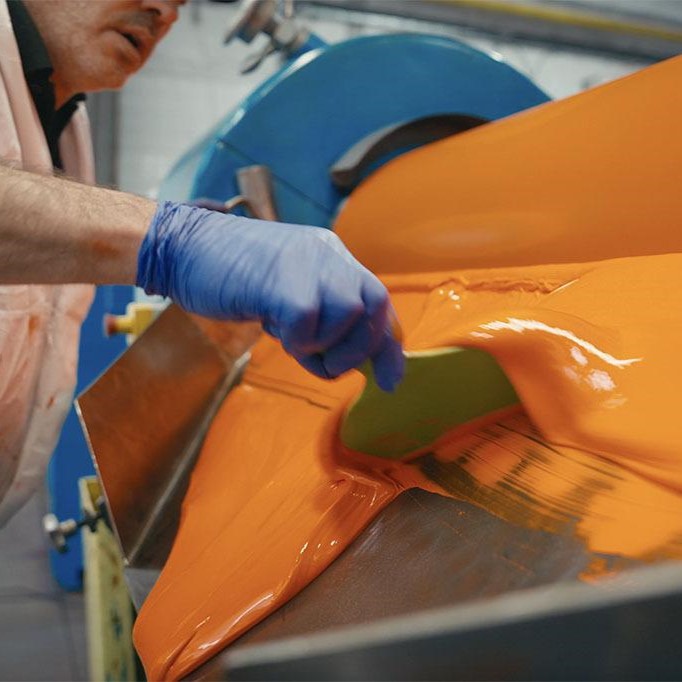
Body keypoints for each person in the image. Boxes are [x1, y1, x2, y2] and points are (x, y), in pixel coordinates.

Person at [0, 0, 404, 523]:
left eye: (182, 2)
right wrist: (170, 241)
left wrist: (173, 234)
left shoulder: (64, 120)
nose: (163, 12)